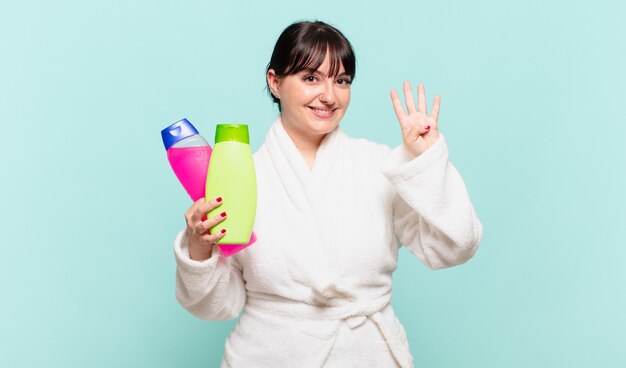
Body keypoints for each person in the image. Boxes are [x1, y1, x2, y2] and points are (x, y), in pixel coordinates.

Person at [174, 20, 483, 368]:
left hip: (367, 354)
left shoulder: (381, 165)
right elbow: (215, 305)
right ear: (274, 82)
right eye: (310, 78)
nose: (329, 95)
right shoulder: (243, 176)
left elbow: (455, 246)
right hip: (269, 356)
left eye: (341, 80)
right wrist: (199, 247)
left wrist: (427, 162)